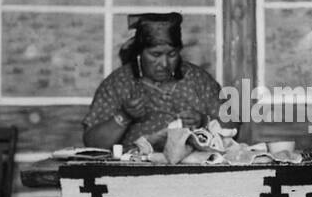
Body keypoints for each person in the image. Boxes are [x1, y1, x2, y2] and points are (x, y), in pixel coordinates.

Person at [83, 12, 225, 149]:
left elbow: (231, 126)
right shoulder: (119, 83)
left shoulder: (198, 79)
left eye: (172, 54)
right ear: (139, 53)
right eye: (155, 54)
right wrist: (124, 116)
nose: (164, 63)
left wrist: (204, 121)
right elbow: (92, 143)